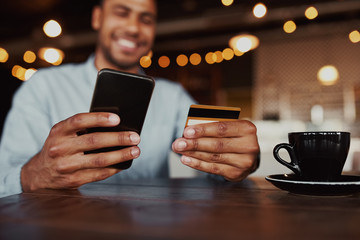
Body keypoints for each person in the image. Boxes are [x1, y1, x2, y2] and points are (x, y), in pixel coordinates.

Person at [0, 0, 260, 198]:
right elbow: (5, 177)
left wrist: (241, 162)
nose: (134, 28)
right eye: (122, 13)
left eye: (146, 19)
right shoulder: (43, 85)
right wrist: (34, 174)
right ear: (97, 17)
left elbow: (209, 168)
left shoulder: (173, 96)